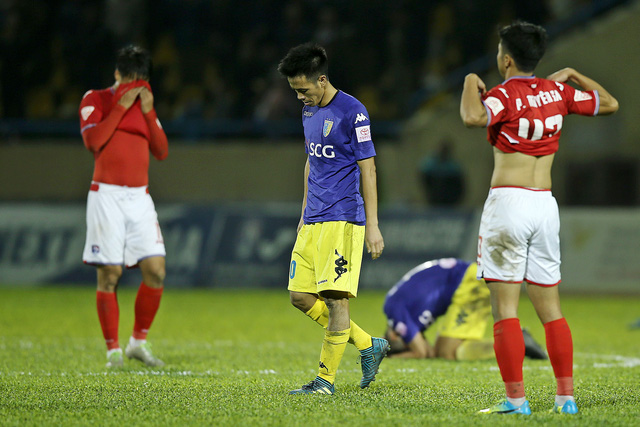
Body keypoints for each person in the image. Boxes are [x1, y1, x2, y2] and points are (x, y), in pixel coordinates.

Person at [460, 21, 618, 415]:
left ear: (507, 59)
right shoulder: (556, 91)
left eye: (499, 51)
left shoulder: (503, 95)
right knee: (552, 310)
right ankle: (566, 399)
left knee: (506, 310)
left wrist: (468, 81)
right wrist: (574, 75)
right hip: (545, 206)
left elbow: (473, 117)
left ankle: (516, 401)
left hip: (508, 205)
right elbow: (609, 103)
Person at [278, 43, 388, 395]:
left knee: (335, 298)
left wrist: (372, 224)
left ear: (321, 80)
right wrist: (302, 213)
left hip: (343, 218)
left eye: (304, 90)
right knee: (299, 296)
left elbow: (368, 168)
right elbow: (311, 161)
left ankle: (324, 382)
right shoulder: (309, 112)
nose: (300, 97)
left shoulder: (352, 112)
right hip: (312, 219)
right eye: (295, 91)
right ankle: (368, 343)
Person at [79, 45, 169, 368]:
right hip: (107, 196)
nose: (135, 86)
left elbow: (161, 150)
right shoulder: (97, 99)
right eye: (130, 79)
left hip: (139, 197)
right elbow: (93, 141)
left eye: (141, 80)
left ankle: (137, 343)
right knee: (110, 273)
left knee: (156, 270)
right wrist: (120, 107)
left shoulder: (145, 106)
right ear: (117, 75)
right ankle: (113, 350)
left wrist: (148, 111)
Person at [383, 258, 547, 361]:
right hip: (468, 280)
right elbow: (428, 351)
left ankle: (518, 343)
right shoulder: (401, 309)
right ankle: (517, 342)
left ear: (394, 334)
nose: (412, 341)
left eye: (407, 344)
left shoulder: (394, 313)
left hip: (468, 284)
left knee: (448, 353)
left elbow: (421, 352)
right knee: (442, 350)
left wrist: (393, 358)